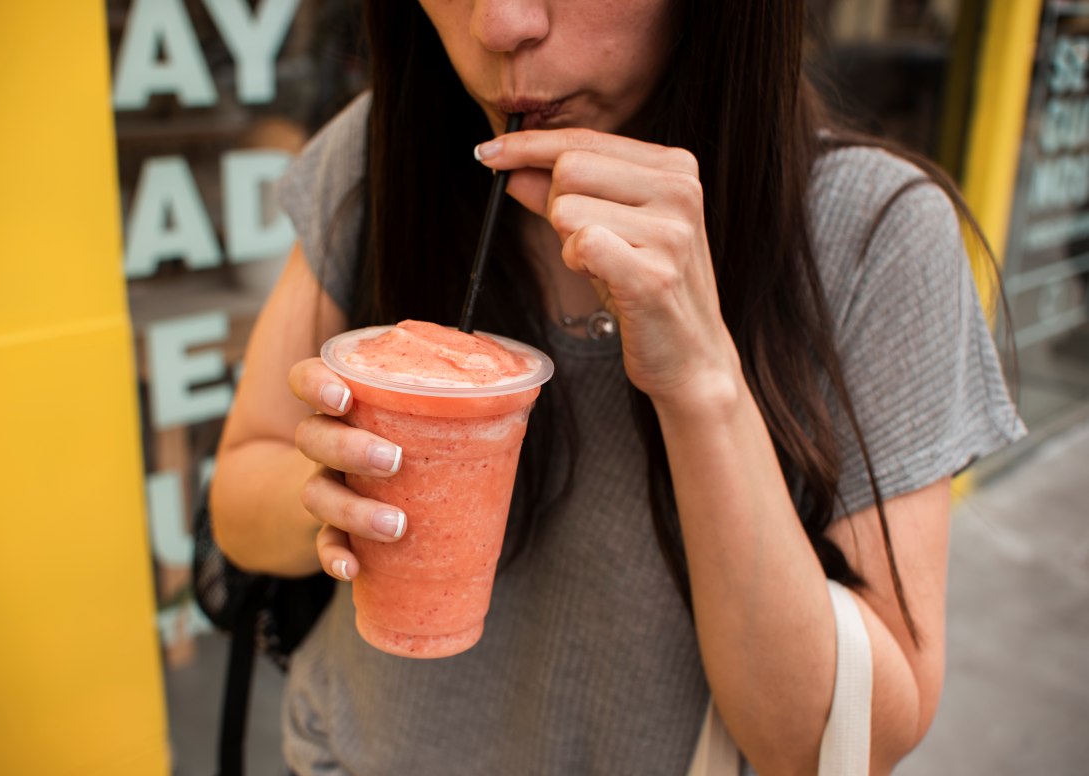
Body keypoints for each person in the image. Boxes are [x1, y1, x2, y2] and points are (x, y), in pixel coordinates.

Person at [210, 2, 1024, 774]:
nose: (503, 25)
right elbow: (241, 502)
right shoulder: (385, 149)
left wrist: (701, 379)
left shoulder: (874, 233)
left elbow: (844, 751)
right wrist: (343, 491)